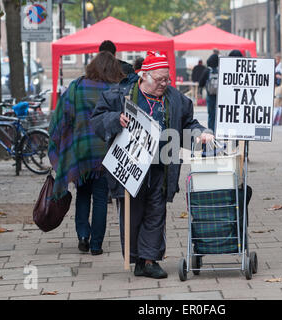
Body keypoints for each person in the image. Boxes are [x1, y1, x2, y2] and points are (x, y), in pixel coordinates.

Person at [91, 51, 214, 279]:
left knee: (156, 213)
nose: (164, 84)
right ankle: (137, 258)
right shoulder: (120, 94)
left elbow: (188, 123)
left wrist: (201, 133)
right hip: (129, 167)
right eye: (159, 80)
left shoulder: (175, 98)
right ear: (144, 76)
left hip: (161, 166)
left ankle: (150, 260)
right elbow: (97, 121)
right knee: (132, 214)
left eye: (167, 79)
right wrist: (114, 119)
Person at [48, 51, 125, 256]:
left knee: (83, 194)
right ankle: (96, 245)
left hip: (82, 152)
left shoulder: (77, 87)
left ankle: (83, 235)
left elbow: (60, 118)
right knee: (101, 198)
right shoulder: (115, 90)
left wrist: (61, 143)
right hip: (106, 152)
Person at [199, 53, 219, 132]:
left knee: (211, 115)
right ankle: (218, 131)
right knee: (218, 114)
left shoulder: (207, 71)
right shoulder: (221, 69)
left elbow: (201, 83)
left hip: (210, 95)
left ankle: (211, 131)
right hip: (219, 96)